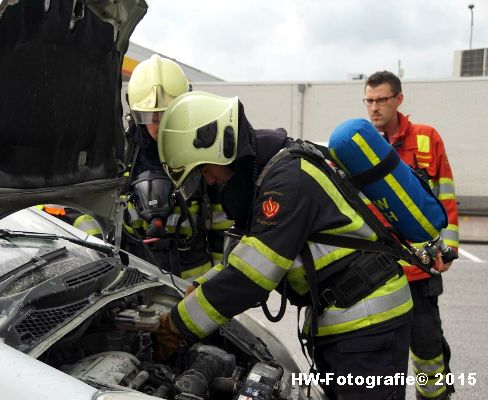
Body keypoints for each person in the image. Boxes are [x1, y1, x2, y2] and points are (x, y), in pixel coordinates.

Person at [155, 91, 414, 399]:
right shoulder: (270, 173)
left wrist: (176, 326)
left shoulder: (287, 181)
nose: (208, 180)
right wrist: (200, 286)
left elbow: (251, 277)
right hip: (354, 321)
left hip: (367, 325)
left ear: (221, 147)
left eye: (202, 168)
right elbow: (247, 256)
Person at [364, 70, 458, 400]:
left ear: (399, 99)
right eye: (369, 100)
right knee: (377, 354)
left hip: (420, 270)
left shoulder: (426, 139)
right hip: (376, 271)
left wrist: (450, 249)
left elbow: (445, 195)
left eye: (381, 100)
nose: (374, 108)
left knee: (427, 347)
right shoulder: (359, 148)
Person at [122, 55, 231, 281]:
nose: (158, 123)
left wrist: (218, 282)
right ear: (133, 112)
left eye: (167, 113)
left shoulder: (202, 151)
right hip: (132, 282)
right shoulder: (119, 157)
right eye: (148, 115)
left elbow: (223, 221)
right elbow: (91, 216)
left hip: (195, 285)